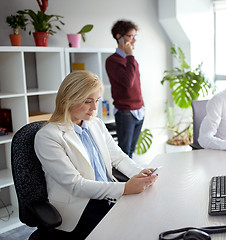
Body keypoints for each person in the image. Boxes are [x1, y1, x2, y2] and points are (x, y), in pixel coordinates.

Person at [34, 71, 157, 239]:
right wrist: (125, 188)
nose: (94, 108)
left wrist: (138, 173)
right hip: (80, 207)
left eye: (97, 101)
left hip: (107, 195)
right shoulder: (48, 136)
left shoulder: (95, 124)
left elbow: (119, 158)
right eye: (87, 102)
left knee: (149, 216)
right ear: (68, 100)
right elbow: (76, 185)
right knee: (129, 231)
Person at [105, 19, 144, 158]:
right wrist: (130, 55)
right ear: (119, 36)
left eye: (135, 37)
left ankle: (132, 179)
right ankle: (125, 180)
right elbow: (127, 82)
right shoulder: (113, 60)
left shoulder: (130, 60)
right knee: (124, 154)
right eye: (130, 36)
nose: (133, 40)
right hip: (125, 112)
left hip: (139, 110)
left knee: (131, 151)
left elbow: (135, 85)